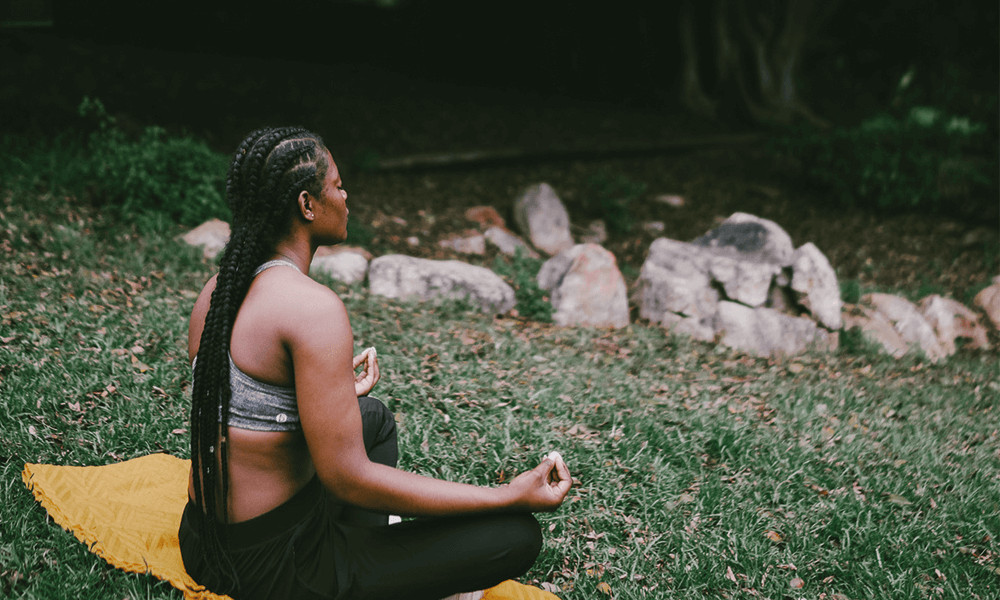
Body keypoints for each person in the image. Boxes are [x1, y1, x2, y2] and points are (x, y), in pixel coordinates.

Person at [177, 127, 572, 600]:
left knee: (373, 419)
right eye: (337, 187)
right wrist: (507, 495)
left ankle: (365, 557)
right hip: (273, 571)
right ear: (307, 205)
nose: (346, 197)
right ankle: (357, 577)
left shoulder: (218, 289)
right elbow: (350, 480)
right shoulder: (312, 307)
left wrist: (330, 390)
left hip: (202, 542)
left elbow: (240, 408)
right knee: (516, 536)